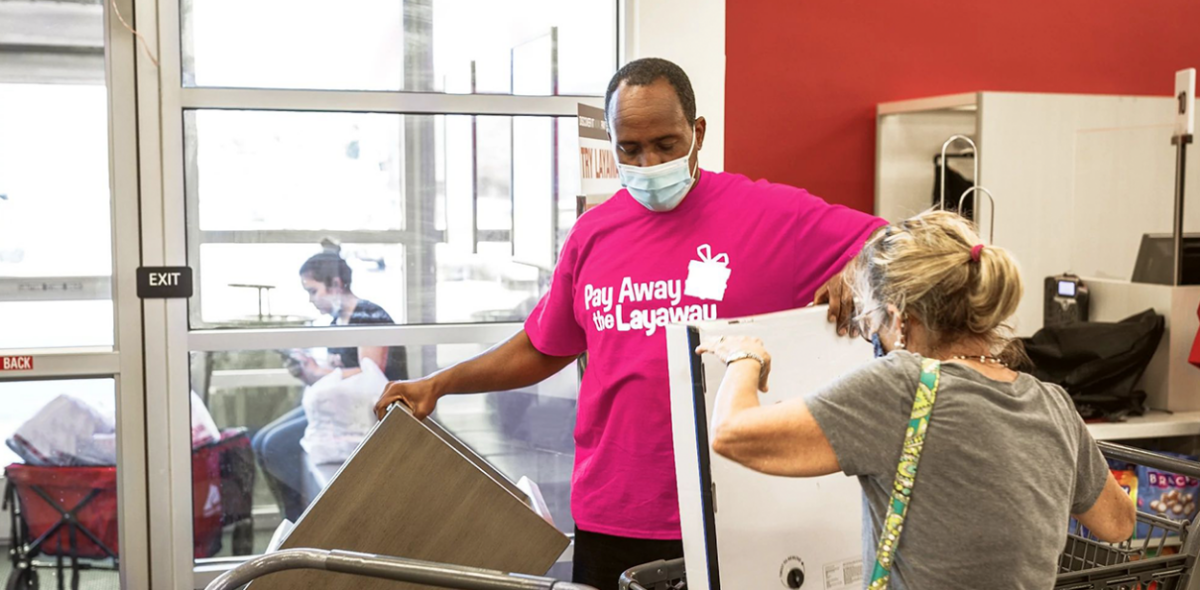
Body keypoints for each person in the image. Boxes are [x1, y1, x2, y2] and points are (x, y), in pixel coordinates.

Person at [375, 57, 885, 589]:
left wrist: (860, 269)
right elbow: (544, 345)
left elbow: (909, 245)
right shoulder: (593, 234)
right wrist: (440, 383)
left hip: (732, 506)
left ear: (698, 133)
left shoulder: (768, 214)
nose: (648, 162)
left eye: (666, 144)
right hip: (612, 510)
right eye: (630, 148)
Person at [698, 211, 1136, 589]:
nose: (876, 339)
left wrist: (745, 355)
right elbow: (1118, 523)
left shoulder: (903, 386)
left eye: (874, 325)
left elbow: (733, 434)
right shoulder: (1052, 403)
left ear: (899, 318)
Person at [253, 242, 408, 522]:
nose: (311, 300)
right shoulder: (338, 319)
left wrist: (316, 372)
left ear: (336, 284)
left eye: (313, 291)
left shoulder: (369, 316)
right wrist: (307, 371)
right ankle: (294, 519)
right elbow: (338, 374)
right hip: (342, 408)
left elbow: (369, 378)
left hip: (366, 413)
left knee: (276, 445)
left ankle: (305, 519)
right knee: (261, 441)